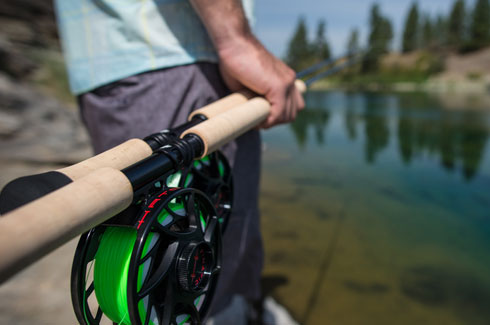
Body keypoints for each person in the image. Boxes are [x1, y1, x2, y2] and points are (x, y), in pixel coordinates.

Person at [54, 0, 304, 322]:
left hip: (111, 73)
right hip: (183, 59)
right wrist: (237, 41)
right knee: (200, 247)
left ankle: (240, 306)